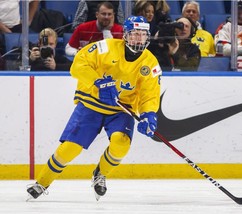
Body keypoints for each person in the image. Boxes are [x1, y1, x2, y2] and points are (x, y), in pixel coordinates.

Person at [26, 16, 162, 201]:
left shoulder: (150, 63)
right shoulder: (105, 47)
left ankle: (100, 173)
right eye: (134, 34)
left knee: (120, 144)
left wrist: (149, 114)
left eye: (142, 34)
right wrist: (98, 82)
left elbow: (150, 94)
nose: (138, 38)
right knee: (69, 149)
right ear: (125, 35)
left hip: (121, 110)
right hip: (91, 104)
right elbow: (78, 65)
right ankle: (42, 182)